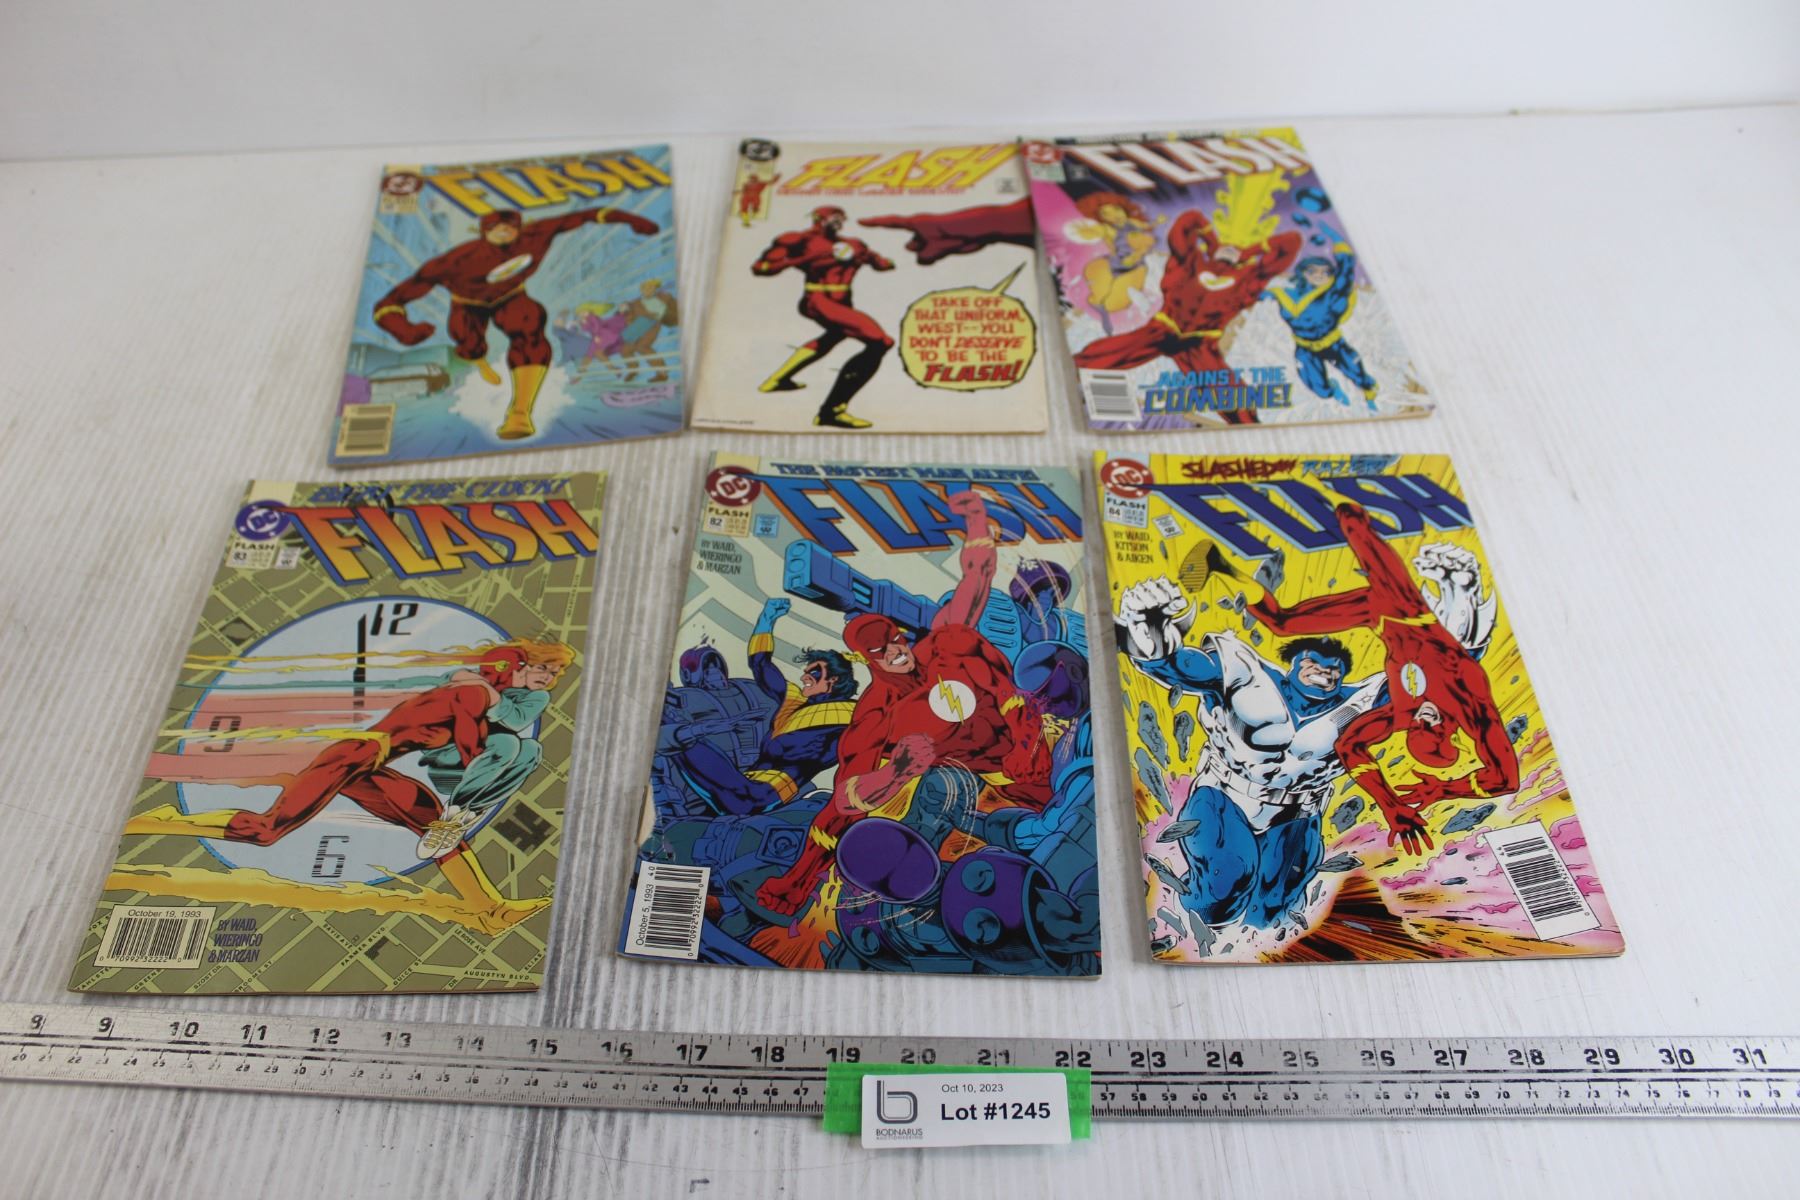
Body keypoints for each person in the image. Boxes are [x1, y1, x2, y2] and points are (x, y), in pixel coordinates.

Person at [756, 491, 1051, 914]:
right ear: (867, 660)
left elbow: (977, 578)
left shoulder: (947, 644)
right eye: (882, 651)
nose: (897, 653)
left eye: (896, 640)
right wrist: (893, 774)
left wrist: (976, 522)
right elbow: (844, 801)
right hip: (982, 784)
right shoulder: (877, 714)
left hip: (1030, 756)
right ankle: (795, 885)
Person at [370, 205, 658, 439]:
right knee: (468, 342)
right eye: (495, 228)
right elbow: (392, 301)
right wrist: (405, 330)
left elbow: (582, 216)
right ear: (484, 232)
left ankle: (519, 413)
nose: (504, 232)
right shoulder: (455, 260)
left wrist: (629, 218)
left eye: (510, 227)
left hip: (510, 296)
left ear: (519, 228)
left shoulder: (534, 236)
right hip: (469, 305)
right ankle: (481, 362)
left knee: (530, 326)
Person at [1073, 210, 1300, 424]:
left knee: (1229, 393)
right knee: (1106, 354)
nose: (1230, 248)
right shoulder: (1192, 261)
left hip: (1200, 343)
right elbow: (1188, 221)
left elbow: (1291, 242)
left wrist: (1251, 251)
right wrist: (1212, 240)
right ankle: (1070, 373)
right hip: (1163, 329)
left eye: (1235, 248)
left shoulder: (1247, 277)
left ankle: (1248, 426)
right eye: (1226, 245)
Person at [751, 205, 894, 428]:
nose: (838, 221)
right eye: (833, 216)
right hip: (818, 300)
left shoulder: (854, 244)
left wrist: (881, 262)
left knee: (835, 335)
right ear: (818, 217)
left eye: (841, 217)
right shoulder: (799, 240)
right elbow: (761, 268)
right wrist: (802, 260)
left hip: (843, 302)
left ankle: (777, 380)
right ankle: (832, 411)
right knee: (880, 341)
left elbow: (881, 264)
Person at [1267, 242, 1378, 407]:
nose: (1319, 275)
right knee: (1318, 387)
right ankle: (1333, 390)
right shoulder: (1286, 294)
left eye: (1325, 272)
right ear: (1302, 273)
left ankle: (1370, 396)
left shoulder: (1333, 293)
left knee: (1358, 374)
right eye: (1312, 271)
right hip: (1305, 349)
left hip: (1334, 345)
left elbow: (1346, 271)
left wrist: (1339, 247)